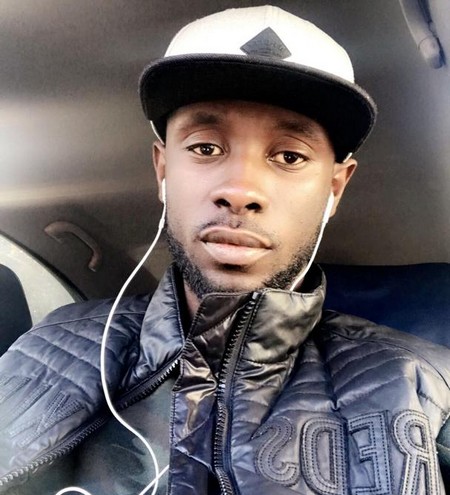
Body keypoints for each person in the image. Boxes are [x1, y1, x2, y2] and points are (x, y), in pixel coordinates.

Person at [0, 5, 449, 495]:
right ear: (163, 170)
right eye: (205, 148)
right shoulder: (49, 344)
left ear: (335, 189)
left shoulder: (426, 386)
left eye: (289, 156)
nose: (240, 190)